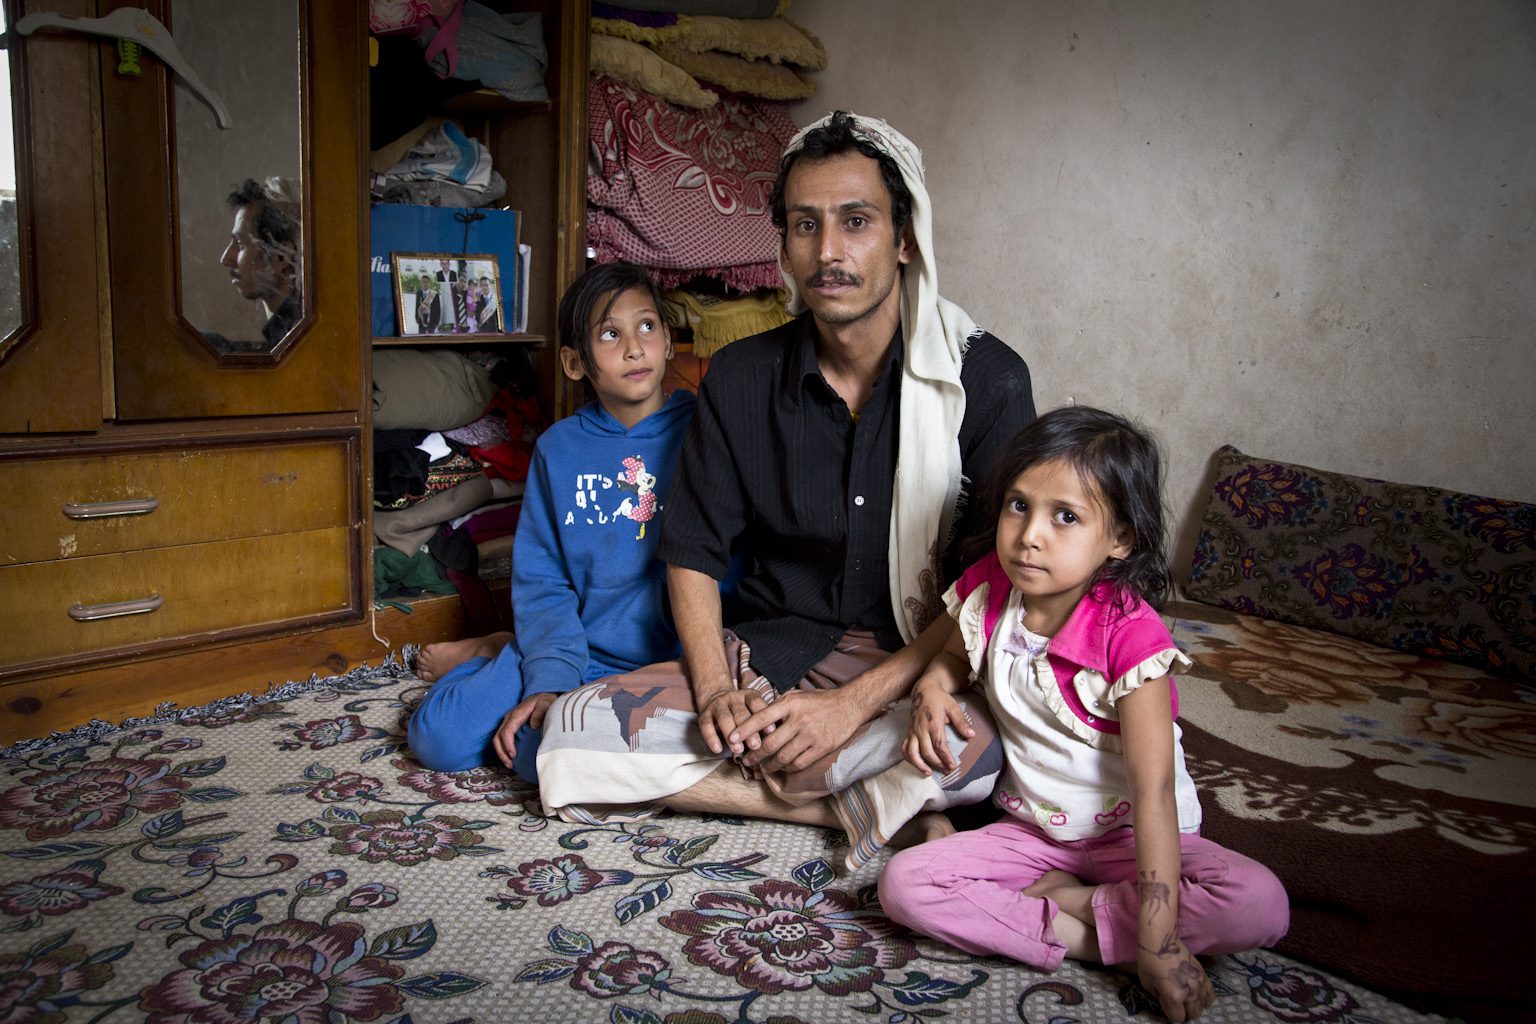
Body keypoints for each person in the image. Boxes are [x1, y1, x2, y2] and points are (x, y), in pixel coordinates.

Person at [536, 112, 1036, 868]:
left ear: (905, 238)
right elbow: (692, 551)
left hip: (927, 659)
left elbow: (992, 589)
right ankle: (861, 807)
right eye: (806, 225)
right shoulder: (741, 377)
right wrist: (716, 692)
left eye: (856, 222)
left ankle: (842, 778)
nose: (828, 252)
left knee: (992, 753)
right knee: (575, 728)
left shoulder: (985, 382)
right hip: (774, 651)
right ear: (785, 246)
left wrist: (849, 708)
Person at [878, 407, 1289, 1023]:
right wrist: (932, 688)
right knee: (904, 886)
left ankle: (1074, 909)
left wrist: (1160, 941)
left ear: (1119, 538)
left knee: (1259, 904)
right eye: (1019, 506)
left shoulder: (1132, 639)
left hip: (1133, 839)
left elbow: (1153, 793)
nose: (1030, 535)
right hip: (1033, 834)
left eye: (1065, 516)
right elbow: (954, 658)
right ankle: (1092, 939)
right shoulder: (991, 591)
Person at [406, 261, 695, 783]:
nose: (635, 348)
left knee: (546, 756)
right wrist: (550, 680)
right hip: (574, 646)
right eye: (610, 334)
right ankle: (496, 651)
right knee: (438, 738)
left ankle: (498, 647)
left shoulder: (704, 433)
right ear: (574, 362)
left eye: (647, 326)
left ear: (669, 341)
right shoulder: (559, 449)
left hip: (674, 660)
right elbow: (543, 579)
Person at [210, 177, 301, 351]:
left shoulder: (308, 339)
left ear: (282, 256)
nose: (225, 259)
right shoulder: (288, 333)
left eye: (240, 244)